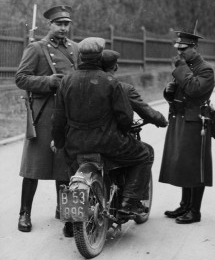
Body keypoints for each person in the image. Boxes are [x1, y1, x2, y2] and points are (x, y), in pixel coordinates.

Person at [52, 37, 154, 215]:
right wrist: (123, 133)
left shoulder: (66, 81)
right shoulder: (110, 82)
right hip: (108, 144)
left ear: (80, 56)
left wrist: (60, 143)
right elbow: (125, 118)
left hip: (75, 144)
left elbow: (58, 118)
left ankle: (70, 218)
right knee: (144, 154)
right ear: (99, 56)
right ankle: (129, 202)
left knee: (72, 172)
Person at [15, 5, 79, 237]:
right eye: (59, 24)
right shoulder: (37, 48)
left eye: (66, 23)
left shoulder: (76, 49)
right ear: (49, 25)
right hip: (43, 114)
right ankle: (24, 213)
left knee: (66, 167)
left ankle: (66, 213)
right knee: (33, 167)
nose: (63, 28)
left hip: (67, 114)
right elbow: (21, 78)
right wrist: (48, 82)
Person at [159, 30, 215, 224]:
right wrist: (168, 92)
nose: (180, 53)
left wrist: (181, 68)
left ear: (195, 48)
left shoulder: (205, 69)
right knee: (182, 163)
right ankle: (184, 204)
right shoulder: (187, 66)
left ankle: (195, 211)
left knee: (195, 166)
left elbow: (194, 89)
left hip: (196, 121)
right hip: (181, 118)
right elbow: (180, 92)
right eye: (178, 49)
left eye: (184, 49)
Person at [101, 49, 168, 128]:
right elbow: (146, 112)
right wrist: (161, 120)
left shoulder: (85, 85)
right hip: (114, 137)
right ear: (116, 67)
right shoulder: (125, 89)